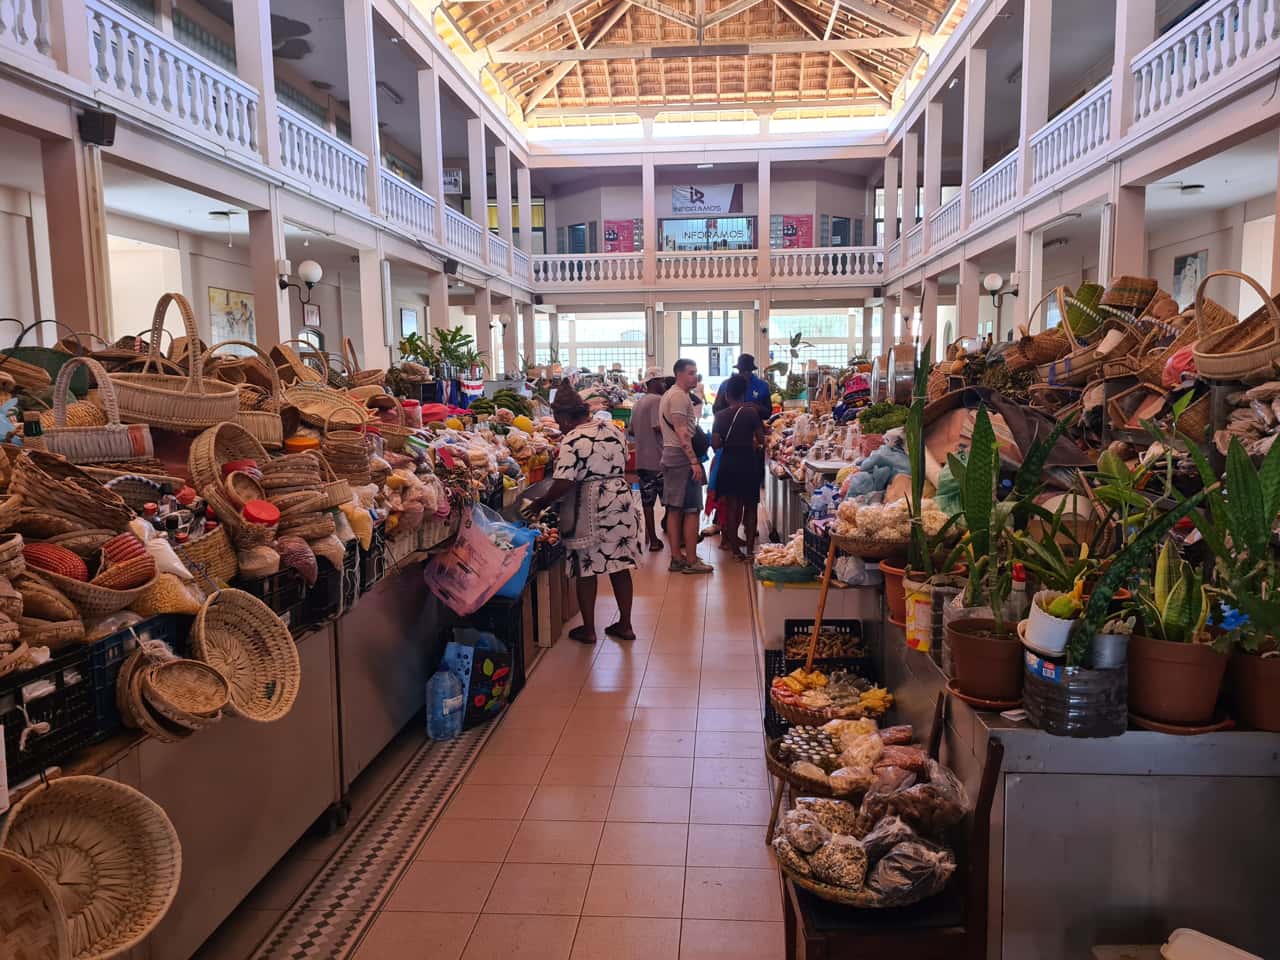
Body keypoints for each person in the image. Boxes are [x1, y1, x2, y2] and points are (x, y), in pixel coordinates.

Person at [524, 384, 642, 643]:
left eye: (560, 423)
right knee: (619, 565)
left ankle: (589, 629)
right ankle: (625, 624)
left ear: (566, 418)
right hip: (620, 500)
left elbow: (565, 481)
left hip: (589, 505)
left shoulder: (573, 438)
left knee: (584, 567)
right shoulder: (612, 429)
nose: (560, 428)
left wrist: (540, 503)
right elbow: (625, 460)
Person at [660, 358, 714, 575]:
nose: (695, 377)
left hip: (672, 456)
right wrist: (694, 462)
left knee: (674, 509)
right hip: (682, 458)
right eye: (691, 373)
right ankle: (690, 560)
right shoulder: (678, 397)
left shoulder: (671, 395)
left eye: (695, 372)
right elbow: (683, 434)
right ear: (679, 374)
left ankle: (676, 557)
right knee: (692, 510)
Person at [711, 374, 766, 559]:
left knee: (733, 506)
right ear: (743, 393)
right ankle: (750, 549)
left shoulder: (719, 416)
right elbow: (761, 439)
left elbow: (716, 444)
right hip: (748, 462)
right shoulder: (751, 412)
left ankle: (734, 549)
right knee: (751, 506)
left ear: (727, 395)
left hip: (728, 463)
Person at [628, 367, 666, 552]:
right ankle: (675, 536)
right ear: (653, 382)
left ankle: (652, 538)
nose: (664, 384)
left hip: (642, 460)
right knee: (671, 503)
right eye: (661, 381)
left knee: (647, 502)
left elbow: (632, 431)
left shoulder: (638, 403)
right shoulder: (658, 401)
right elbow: (659, 427)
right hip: (658, 460)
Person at [713, 353, 773, 420]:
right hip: (730, 425)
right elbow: (716, 410)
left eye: (748, 371)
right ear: (738, 370)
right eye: (742, 371)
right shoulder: (726, 385)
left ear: (751, 370)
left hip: (754, 426)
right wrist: (732, 408)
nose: (745, 373)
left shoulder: (762, 386)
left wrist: (755, 407)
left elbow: (768, 413)